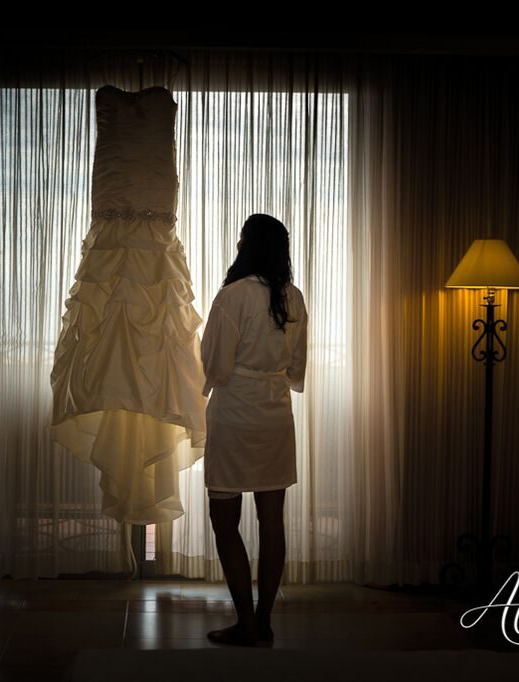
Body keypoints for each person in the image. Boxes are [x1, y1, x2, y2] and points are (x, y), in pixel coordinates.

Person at [200, 213, 308, 647]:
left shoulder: (232, 296)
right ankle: (263, 621)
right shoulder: (293, 297)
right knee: (272, 522)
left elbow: (216, 366)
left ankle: (245, 621)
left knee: (224, 520)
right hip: (276, 415)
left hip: (235, 414)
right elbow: (297, 367)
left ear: (246, 245)